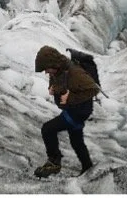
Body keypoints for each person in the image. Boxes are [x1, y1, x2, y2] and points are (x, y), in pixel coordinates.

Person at [33, 46, 100, 178]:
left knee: (48, 129)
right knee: (76, 141)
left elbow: (93, 89)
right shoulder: (57, 71)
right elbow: (61, 85)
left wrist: (70, 97)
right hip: (74, 109)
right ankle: (88, 169)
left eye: (46, 68)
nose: (46, 72)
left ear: (53, 63)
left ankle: (54, 163)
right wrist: (53, 89)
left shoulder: (75, 73)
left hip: (79, 111)